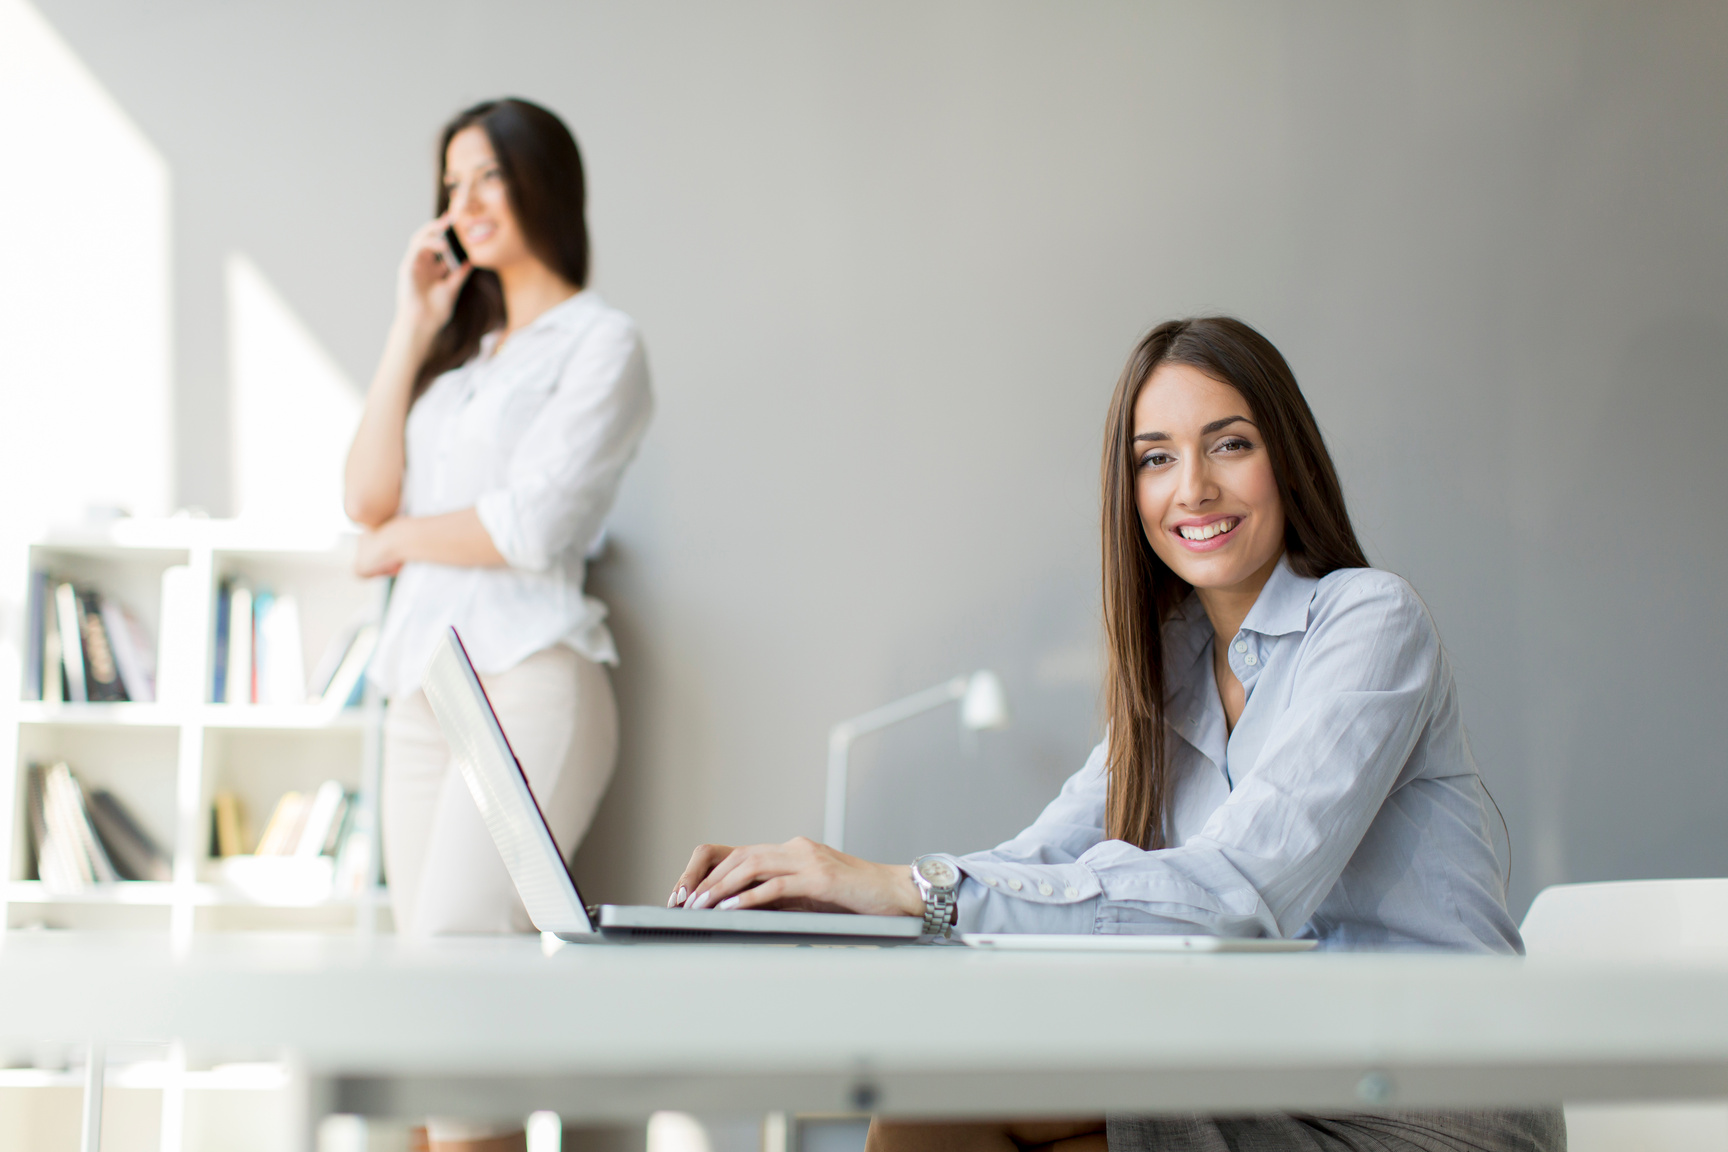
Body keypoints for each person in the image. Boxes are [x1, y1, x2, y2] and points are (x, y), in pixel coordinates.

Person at [666, 318, 1563, 1152]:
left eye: (1231, 445)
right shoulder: (1170, 671)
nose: (1194, 488)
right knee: (944, 1094)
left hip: (1428, 1103)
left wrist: (913, 889)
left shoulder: (1369, 622)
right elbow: (1044, 859)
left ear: (1286, 459)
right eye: (1157, 458)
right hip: (1275, 1075)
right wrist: (849, 901)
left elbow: (1237, 893)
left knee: (958, 1098)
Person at [345, 97, 652, 950]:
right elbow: (366, 500)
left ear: (544, 184)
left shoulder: (601, 342)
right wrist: (411, 329)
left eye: (489, 176)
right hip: (422, 684)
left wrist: (402, 541)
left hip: (528, 676)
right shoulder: (456, 365)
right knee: (428, 957)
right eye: (451, 184)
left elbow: (535, 526)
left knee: (462, 936)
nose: (463, 204)